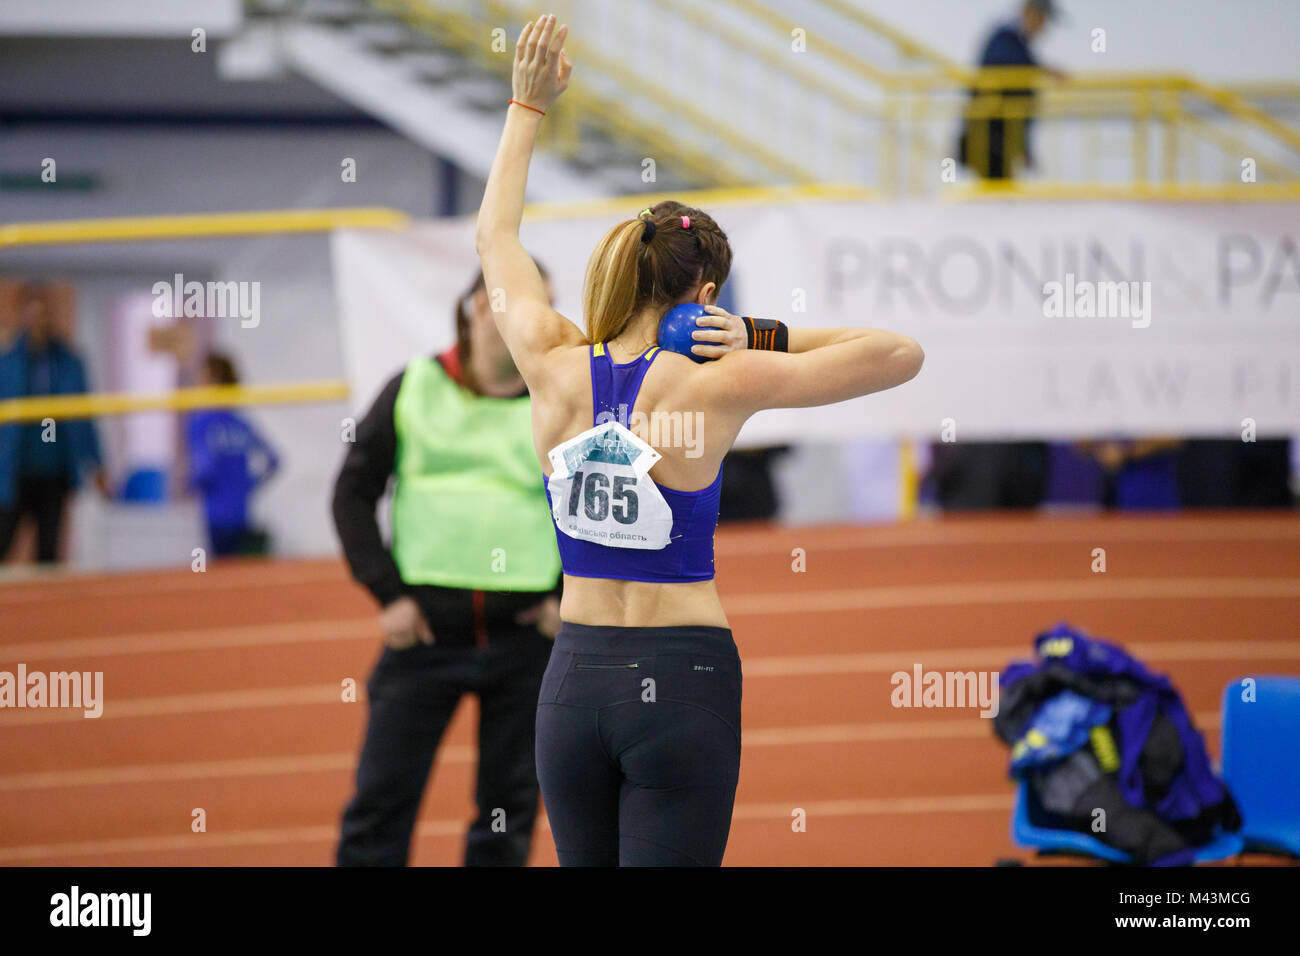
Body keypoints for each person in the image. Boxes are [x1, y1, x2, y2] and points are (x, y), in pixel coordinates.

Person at [474, 14, 924, 866]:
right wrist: (750, 332)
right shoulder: (721, 381)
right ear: (703, 293)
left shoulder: (550, 364)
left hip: (571, 681)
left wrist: (526, 108)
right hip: (681, 679)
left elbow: (495, 239)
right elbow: (899, 355)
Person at [332, 267, 576, 865]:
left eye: (535, 305)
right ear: (471, 308)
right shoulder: (412, 387)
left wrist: (566, 596)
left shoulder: (563, 401)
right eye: (502, 302)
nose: (516, 317)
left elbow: (596, 502)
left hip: (525, 639)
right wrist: (386, 593)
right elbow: (351, 494)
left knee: (508, 811)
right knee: (380, 803)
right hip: (424, 638)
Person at [0, 285, 107, 564]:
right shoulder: (8, 362)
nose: (39, 320)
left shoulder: (69, 362)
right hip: (15, 469)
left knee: (48, 553)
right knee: (3, 542)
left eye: (44, 314)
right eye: (32, 314)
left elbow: (84, 417)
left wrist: (96, 463)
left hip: (54, 470)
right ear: (22, 316)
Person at [958, 0, 1066, 181]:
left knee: (998, 193)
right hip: (991, 136)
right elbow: (1005, 67)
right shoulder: (1005, 39)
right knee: (995, 193)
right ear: (1029, 13)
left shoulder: (1015, 43)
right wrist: (1040, 69)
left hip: (1000, 138)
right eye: (1042, 19)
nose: (1043, 27)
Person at [185, 353, 279, 557]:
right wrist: (248, 484)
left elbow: (204, 471)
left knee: (220, 572)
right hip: (241, 510)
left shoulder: (201, 422)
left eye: (201, 378)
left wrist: (190, 485)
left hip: (215, 512)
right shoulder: (241, 423)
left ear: (213, 380)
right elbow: (274, 460)